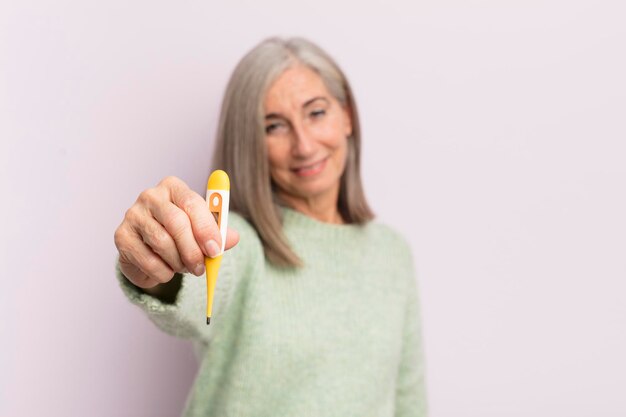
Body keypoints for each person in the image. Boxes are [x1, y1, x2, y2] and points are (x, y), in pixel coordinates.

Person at [114, 36, 427, 417]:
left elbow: (409, 399)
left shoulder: (391, 252)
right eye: (275, 126)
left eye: (316, 113)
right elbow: (189, 288)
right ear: (250, 143)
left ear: (346, 115)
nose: (304, 146)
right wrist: (153, 261)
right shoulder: (237, 242)